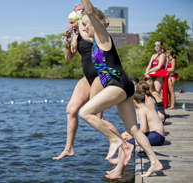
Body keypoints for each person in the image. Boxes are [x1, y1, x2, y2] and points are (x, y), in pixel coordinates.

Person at [78, 0, 162, 178]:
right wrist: (78, 17)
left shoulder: (102, 35)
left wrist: (85, 7)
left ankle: (114, 140)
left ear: (95, 22)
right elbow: (84, 29)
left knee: (85, 113)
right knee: (133, 129)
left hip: (117, 84)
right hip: (123, 84)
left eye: (86, 24)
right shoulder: (93, 40)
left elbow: (91, 14)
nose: (84, 28)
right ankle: (155, 162)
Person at [53, 5, 133, 164]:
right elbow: (68, 58)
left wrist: (85, 11)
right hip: (87, 77)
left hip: (100, 75)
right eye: (69, 22)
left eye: (73, 22)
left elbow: (105, 21)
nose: (71, 25)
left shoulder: (92, 32)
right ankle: (69, 147)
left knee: (97, 117)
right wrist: (67, 39)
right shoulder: (77, 37)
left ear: (79, 20)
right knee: (71, 110)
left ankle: (123, 145)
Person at [106, 91, 165, 179]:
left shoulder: (141, 110)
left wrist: (132, 136)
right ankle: (118, 167)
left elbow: (143, 129)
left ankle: (118, 171)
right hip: (157, 135)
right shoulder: (146, 108)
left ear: (134, 101)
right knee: (126, 140)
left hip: (157, 136)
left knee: (127, 144)